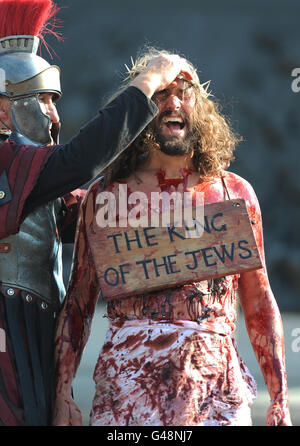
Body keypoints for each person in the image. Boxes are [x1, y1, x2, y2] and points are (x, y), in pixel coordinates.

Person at [53, 47, 292, 427]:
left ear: (199, 104)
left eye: (184, 91)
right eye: (160, 92)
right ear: (140, 104)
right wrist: (62, 393)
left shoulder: (233, 194)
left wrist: (279, 396)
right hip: (127, 396)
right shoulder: (105, 198)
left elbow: (259, 298)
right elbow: (79, 301)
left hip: (215, 394)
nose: (174, 102)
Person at [0, 0, 193, 426]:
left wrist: (173, 191)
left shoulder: (36, 180)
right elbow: (81, 160)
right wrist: (147, 83)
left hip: (32, 332)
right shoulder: (7, 163)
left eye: (55, 100)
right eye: (42, 99)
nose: (53, 114)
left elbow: (98, 213)